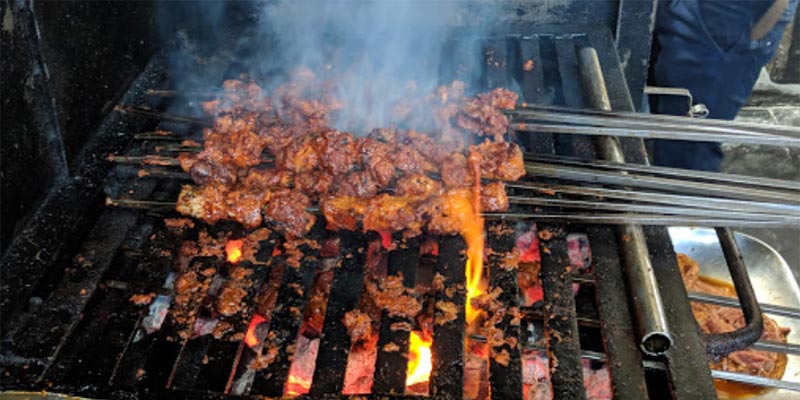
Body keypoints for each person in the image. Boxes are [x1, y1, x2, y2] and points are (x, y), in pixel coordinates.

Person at [650, 0, 799, 171]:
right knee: (668, 122)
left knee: (688, 145)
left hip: (730, 14)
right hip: (715, 13)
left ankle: (679, 193)